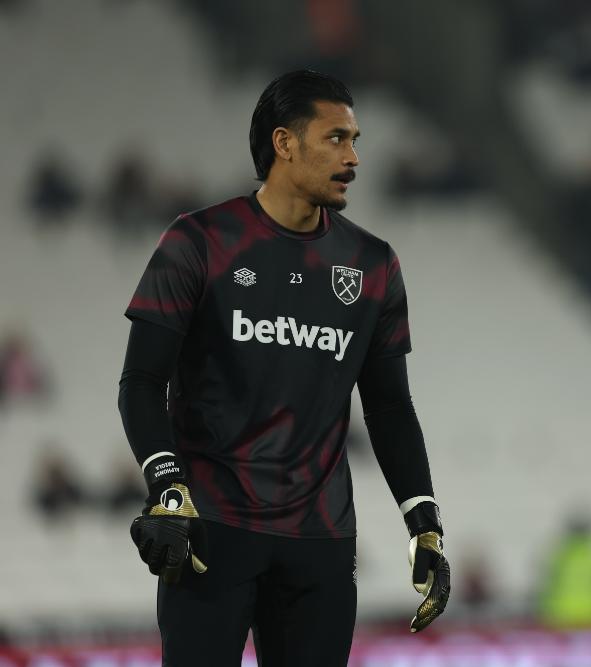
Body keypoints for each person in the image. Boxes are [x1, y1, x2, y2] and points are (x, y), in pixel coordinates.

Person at [117, 70, 450, 667]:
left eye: (355, 140)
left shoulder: (372, 266)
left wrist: (424, 523)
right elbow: (141, 382)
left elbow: (390, 407)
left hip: (319, 541)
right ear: (284, 143)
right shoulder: (198, 242)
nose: (353, 156)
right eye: (336, 138)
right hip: (211, 531)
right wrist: (166, 488)